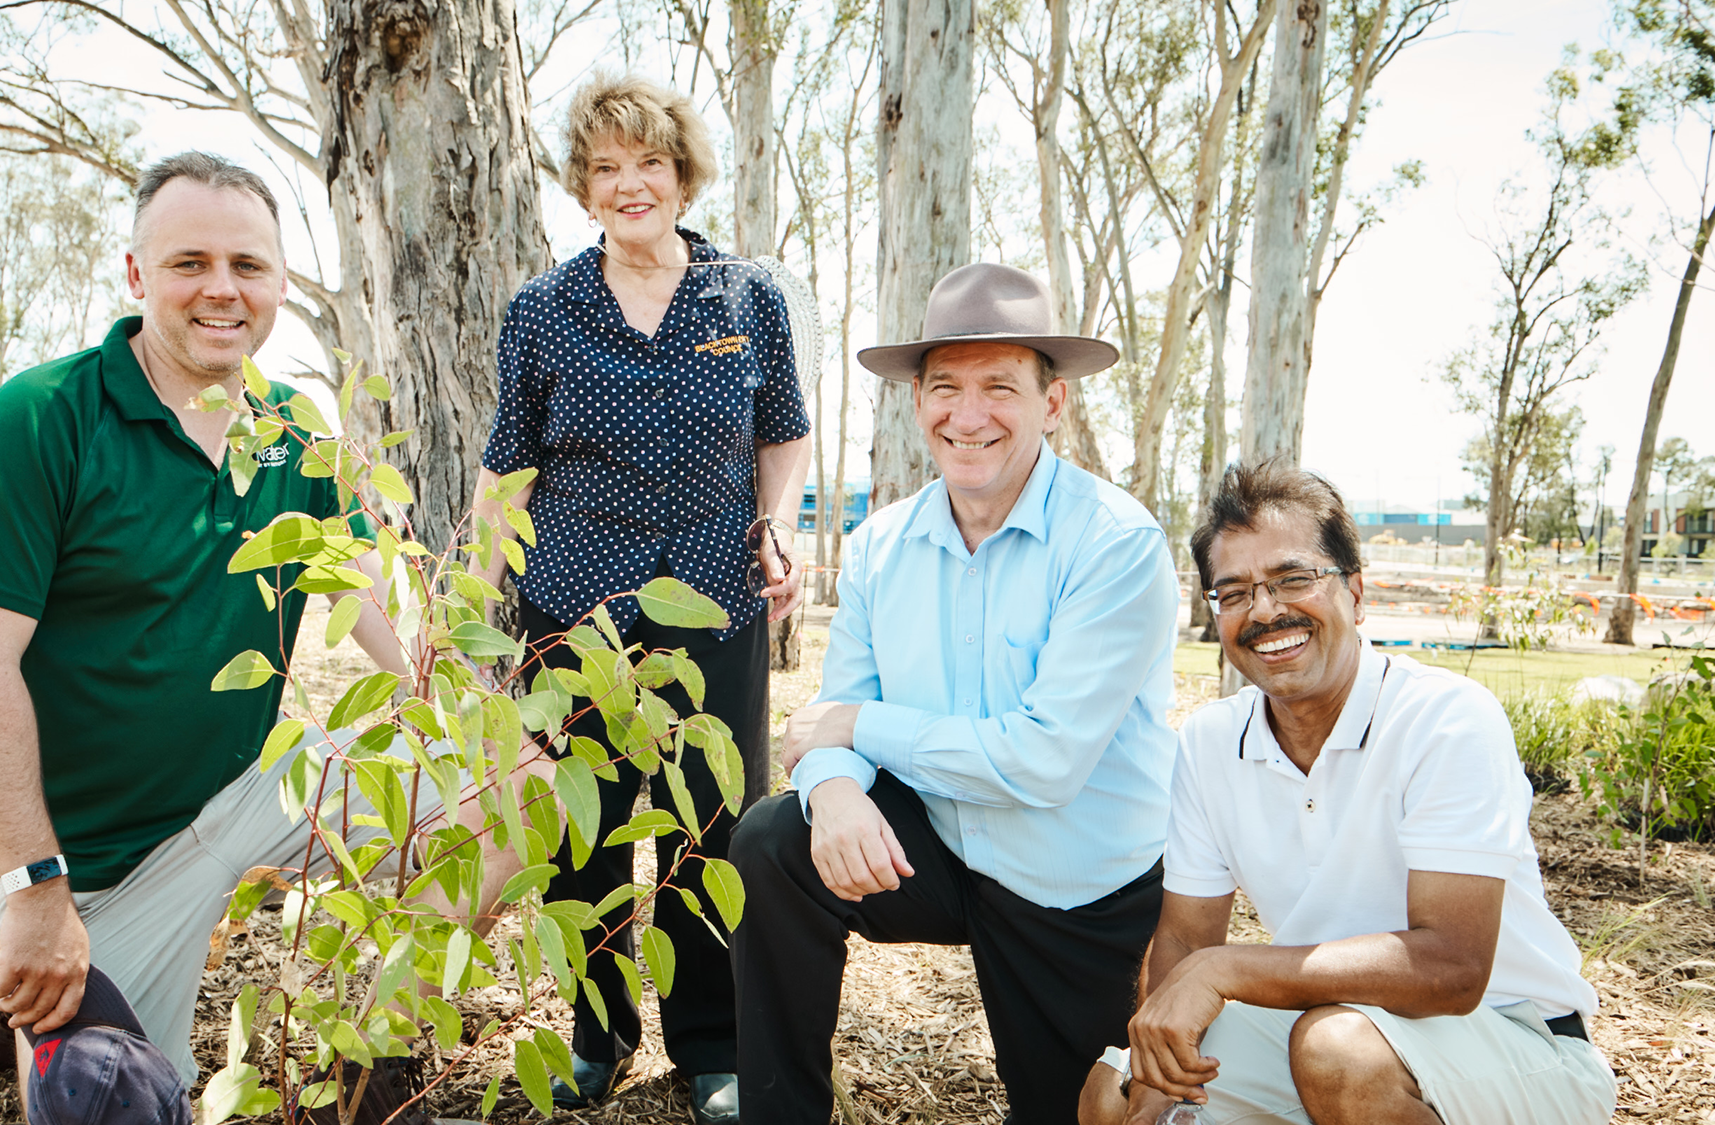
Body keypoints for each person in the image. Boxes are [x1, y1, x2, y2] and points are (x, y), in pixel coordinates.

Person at [0, 151, 537, 1124]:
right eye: (188, 263)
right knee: (119, 1105)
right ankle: (21, 960)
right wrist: (35, 890)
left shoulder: (294, 431)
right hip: (105, 869)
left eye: (248, 266)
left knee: (520, 791)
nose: (222, 289)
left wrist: (453, 703)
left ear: (280, 285)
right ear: (136, 276)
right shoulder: (38, 421)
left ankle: (375, 1052)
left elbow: (363, 583)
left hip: (256, 791)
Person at [731, 261, 1180, 1124]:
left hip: (1073, 887)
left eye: (1000, 387)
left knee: (1077, 1116)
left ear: (1053, 404)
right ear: (916, 402)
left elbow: (1043, 762)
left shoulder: (1114, 544)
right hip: (936, 850)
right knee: (774, 839)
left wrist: (861, 725)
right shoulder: (879, 545)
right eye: (946, 388)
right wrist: (829, 790)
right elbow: (831, 720)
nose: (967, 416)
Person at [468, 74, 812, 1125]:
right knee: (588, 833)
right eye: (604, 168)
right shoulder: (543, 309)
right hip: (573, 607)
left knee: (717, 828)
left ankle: (711, 1045)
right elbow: (506, 470)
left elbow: (784, 433)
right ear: (582, 187)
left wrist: (780, 522)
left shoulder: (746, 298)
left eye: (647, 163)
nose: (628, 185)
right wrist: (472, 615)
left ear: (680, 173)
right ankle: (596, 1037)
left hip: (715, 600)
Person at [1079, 461, 1615, 1125]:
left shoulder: (1444, 717)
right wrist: (1159, 1085)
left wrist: (1229, 970)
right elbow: (1186, 942)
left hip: (1516, 1036)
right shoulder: (1211, 741)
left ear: (1357, 593)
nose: (1267, 609)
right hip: (1328, 1023)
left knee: (1337, 1053)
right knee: (1112, 1091)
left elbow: (1454, 964)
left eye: (1294, 579)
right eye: (1235, 592)